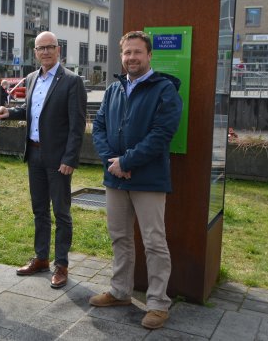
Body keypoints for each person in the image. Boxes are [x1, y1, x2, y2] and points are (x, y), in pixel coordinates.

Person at [89, 30, 183, 330]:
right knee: (119, 237)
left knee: (154, 242)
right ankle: (120, 292)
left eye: (137, 52)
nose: (131, 58)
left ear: (149, 55)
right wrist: (112, 163)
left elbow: (161, 135)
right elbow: (100, 127)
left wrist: (127, 162)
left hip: (148, 179)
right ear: (121, 55)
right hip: (115, 178)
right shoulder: (114, 89)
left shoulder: (165, 90)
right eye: (127, 52)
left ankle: (158, 303)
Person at [0, 31, 86, 289]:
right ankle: (42, 258)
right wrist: (9, 111)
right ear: (34, 52)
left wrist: (70, 158)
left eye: (50, 47)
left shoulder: (71, 81)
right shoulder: (33, 78)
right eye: (40, 48)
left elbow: (77, 126)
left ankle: (62, 264)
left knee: (61, 212)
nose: (45, 52)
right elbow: (31, 111)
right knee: (39, 210)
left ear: (59, 50)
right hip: (34, 153)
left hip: (59, 159)